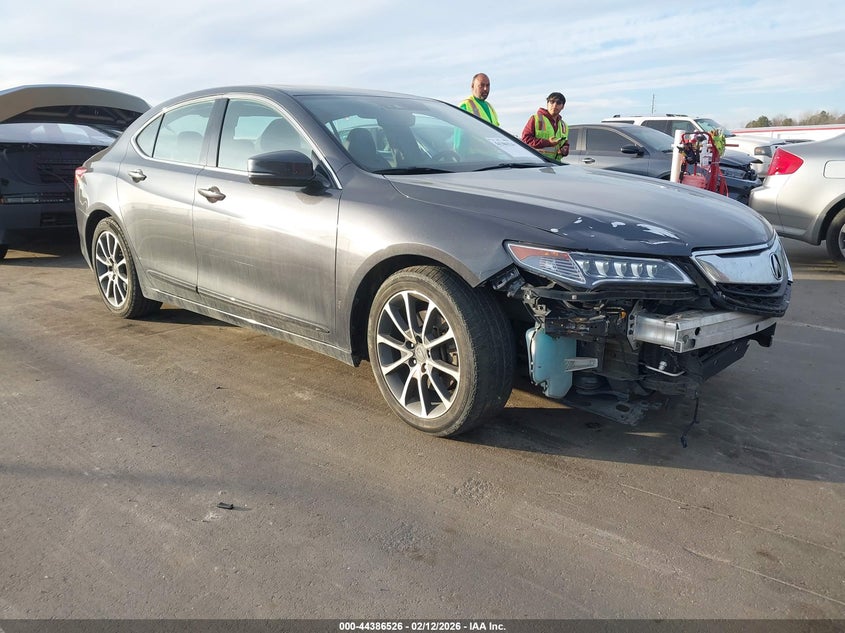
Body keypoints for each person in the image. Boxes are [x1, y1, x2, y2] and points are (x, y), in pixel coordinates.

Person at [522, 92, 569, 160]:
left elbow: (565, 143)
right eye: (552, 102)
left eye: (558, 103)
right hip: (537, 163)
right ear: (547, 104)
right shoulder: (536, 119)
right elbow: (525, 139)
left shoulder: (563, 125)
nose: (555, 105)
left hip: (555, 164)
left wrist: (565, 149)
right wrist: (548, 142)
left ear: (563, 106)